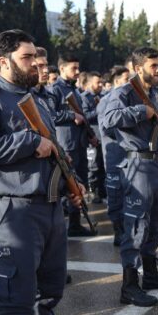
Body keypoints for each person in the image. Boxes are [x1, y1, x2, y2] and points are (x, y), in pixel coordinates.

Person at [0, 29, 86, 315]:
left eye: (35, 57)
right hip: (15, 212)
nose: (35, 63)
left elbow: (54, 148)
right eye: (27, 57)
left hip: (51, 207)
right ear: (4, 62)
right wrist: (30, 142)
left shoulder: (39, 101)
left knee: (51, 290)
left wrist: (74, 181)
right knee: (15, 300)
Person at [103, 47, 158, 307]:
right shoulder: (123, 92)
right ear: (138, 69)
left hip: (155, 164)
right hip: (137, 167)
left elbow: (153, 125)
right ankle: (129, 285)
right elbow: (108, 120)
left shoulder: (152, 93)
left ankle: (150, 274)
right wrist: (140, 112)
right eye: (153, 66)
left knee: (155, 223)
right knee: (136, 227)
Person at [47, 53, 97, 236]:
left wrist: (89, 134)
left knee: (80, 183)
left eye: (78, 67)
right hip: (66, 145)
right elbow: (50, 116)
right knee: (70, 185)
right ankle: (70, 224)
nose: (77, 71)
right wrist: (70, 116)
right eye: (73, 68)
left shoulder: (73, 89)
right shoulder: (55, 90)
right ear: (61, 69)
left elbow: (82, 116)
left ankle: (76, 222)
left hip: (80, 143)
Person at [97, 65, 129, 246]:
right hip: (115, 155)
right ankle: (118, 230)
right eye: (126, 78)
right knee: (116, 194)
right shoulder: (107, 101)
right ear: (117, 81)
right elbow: (106, 128)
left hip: (130, 156)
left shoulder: (129, 98)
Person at [81, 71, 106, 203]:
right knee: (94, 165)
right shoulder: (84, 97)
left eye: (101, 82)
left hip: (104, 136)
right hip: (92, 136)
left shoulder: (103, 96)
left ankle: (103, 191)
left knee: (103, 165)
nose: (101, 85)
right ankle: (94, 192)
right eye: (98, 82)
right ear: (90, 83)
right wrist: (98, 108)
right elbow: (85, 116)